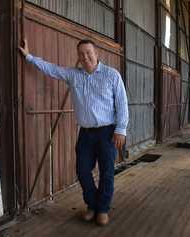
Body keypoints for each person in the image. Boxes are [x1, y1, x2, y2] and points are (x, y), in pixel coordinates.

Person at [19, 38, 129, 226]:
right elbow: (51, 69)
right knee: (82, 170)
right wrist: (29, 57)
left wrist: (121, 129)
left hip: (107, 132)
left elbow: (122, 104)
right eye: (81, 54)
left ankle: (102, 210)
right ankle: (92, 205)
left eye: (88, 53)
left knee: (107, 172)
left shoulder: (112, 75)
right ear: (78, 57)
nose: (85, 57)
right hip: (85, 133)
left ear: (97, 54)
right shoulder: (73, 75)